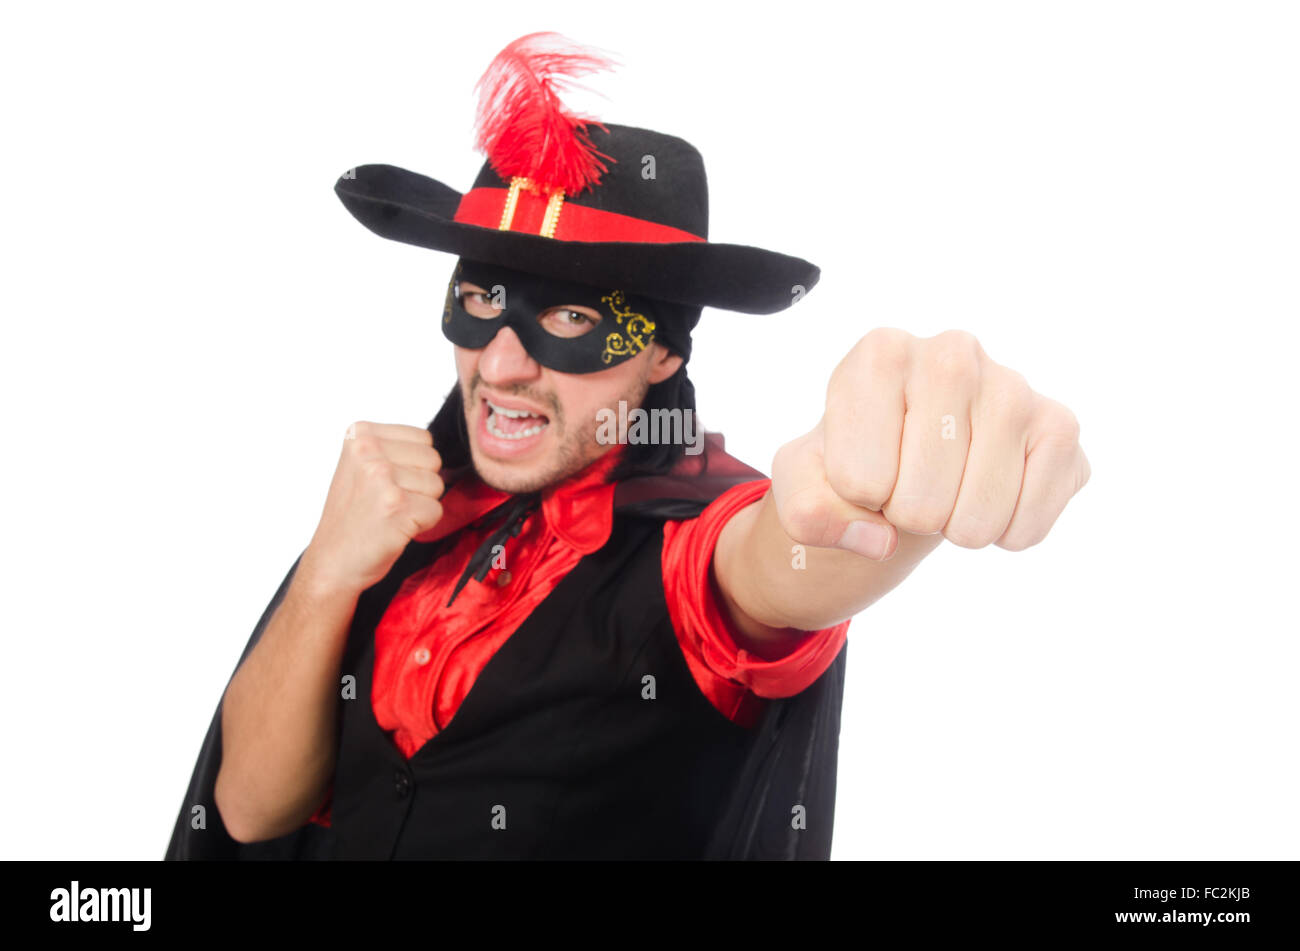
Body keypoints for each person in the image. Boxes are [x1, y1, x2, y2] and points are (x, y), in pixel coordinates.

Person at [166, 32, 1089, 861]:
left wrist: (871, 483)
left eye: (569, 317)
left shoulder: (693, 538)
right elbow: (247, 812)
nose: (501, 360)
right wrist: (328, 570)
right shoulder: (395, 510)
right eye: (482, 299)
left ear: (662, 352)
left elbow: (774, 565)